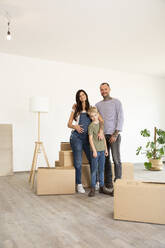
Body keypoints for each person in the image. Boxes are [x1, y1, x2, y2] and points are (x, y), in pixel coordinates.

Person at [68, 90, 104, 194]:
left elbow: (101, 121)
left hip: (89, 138)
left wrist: (101, 131)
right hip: (77, 138)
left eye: (83, 94)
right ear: (78, 98)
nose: (82, 97)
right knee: (78, 162)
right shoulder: (75, 108)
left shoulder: (92, 108)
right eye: (79, 96)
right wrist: (75, 126)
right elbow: (69, 123)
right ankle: (79, 184)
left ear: (86, 96)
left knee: (93, 159)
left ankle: (97, 182)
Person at [96, 83, 124, 191]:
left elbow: (120, 118)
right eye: (101, 90)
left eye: (105, 89)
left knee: (116, 160)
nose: (104, 91)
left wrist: (115, 134)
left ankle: (119, 183)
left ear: (109, 89)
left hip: (114, 135)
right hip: (103, 136)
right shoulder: (98, 105)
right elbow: (95, 119)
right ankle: (108, 183)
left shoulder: (116, 102)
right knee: (106, 160)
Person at [88, 107, 113, 197]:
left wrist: (106, 149)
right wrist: (94, 150)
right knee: (94, 170)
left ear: (98, 115)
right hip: (95, 152)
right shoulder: (91, 126)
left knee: (101, 170)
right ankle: (93, 188)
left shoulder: (101, 126)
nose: (94, 117)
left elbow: (103, 139)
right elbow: (90, 139)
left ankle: (102, 187)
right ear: (90, 117)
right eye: (92, 116)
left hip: (102, 151)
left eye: (95, 115)